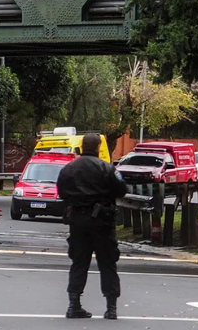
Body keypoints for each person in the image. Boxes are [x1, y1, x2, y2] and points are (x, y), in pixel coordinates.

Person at [56, 132, 127, 320]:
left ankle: (74, 304)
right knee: (108, 262)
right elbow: (122, 190)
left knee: (79, 262)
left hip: (78, 222)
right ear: (98, 148)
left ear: (82, 147)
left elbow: (61, 192)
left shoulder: (68, 169)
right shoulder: (107, 168)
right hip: (102, 221)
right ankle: (111, 307)